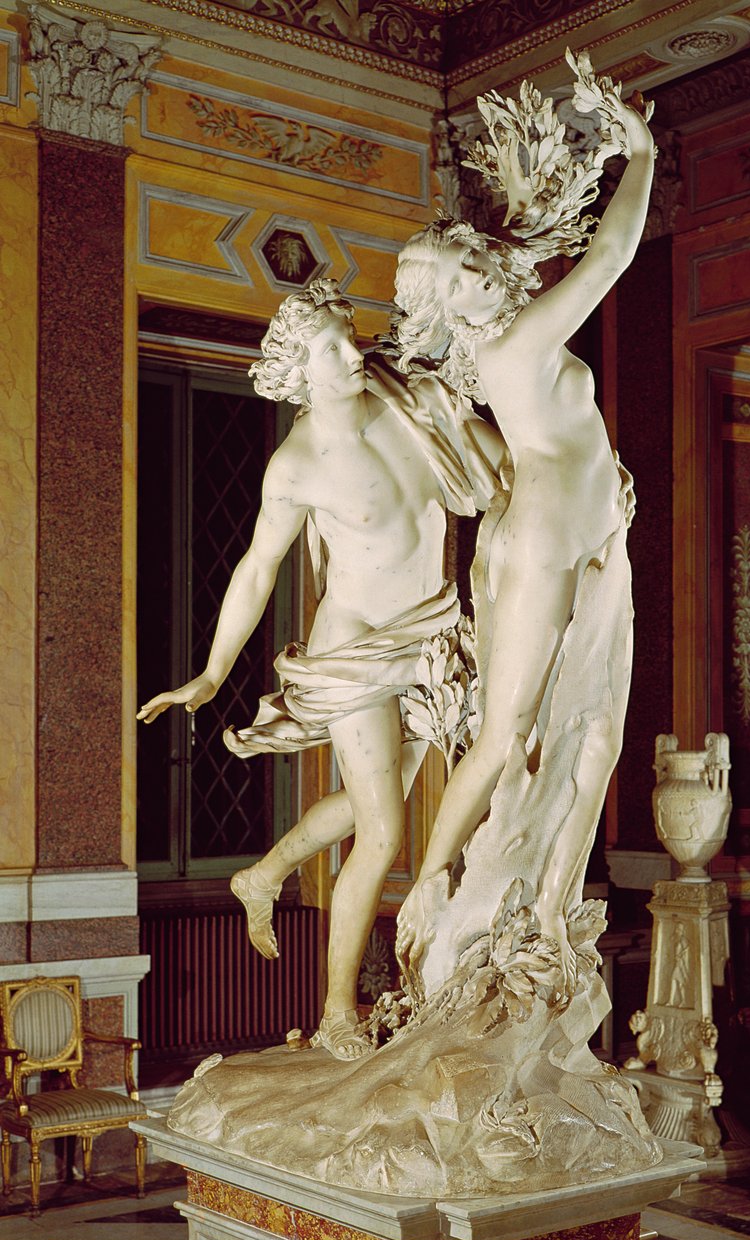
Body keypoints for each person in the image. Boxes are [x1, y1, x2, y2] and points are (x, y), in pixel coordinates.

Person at [137, 279, 504, 1058]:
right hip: (354, 648)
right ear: (298, 371)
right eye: (330, 348)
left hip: (426, 635)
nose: (351, 353)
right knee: (384, 828)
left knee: (380, 799)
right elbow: (257, 567)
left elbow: (497, 459)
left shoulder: (409, 401)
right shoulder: (297, 464)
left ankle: (262, 874)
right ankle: (337, 1010)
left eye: (349, 335)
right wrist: (212, 672)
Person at [393, 91, 655, 991]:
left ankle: (544, 906)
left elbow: (533, 440)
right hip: (547, 536)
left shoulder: (498, 344)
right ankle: (431, 883)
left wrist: (604, 475)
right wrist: (641, 157)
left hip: (571, 526)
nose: (478, 265)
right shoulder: (513, 344)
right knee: (510, 733)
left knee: (588, 734)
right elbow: (610, 255)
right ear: (448, 304)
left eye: (470, 256)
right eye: (459, 272)